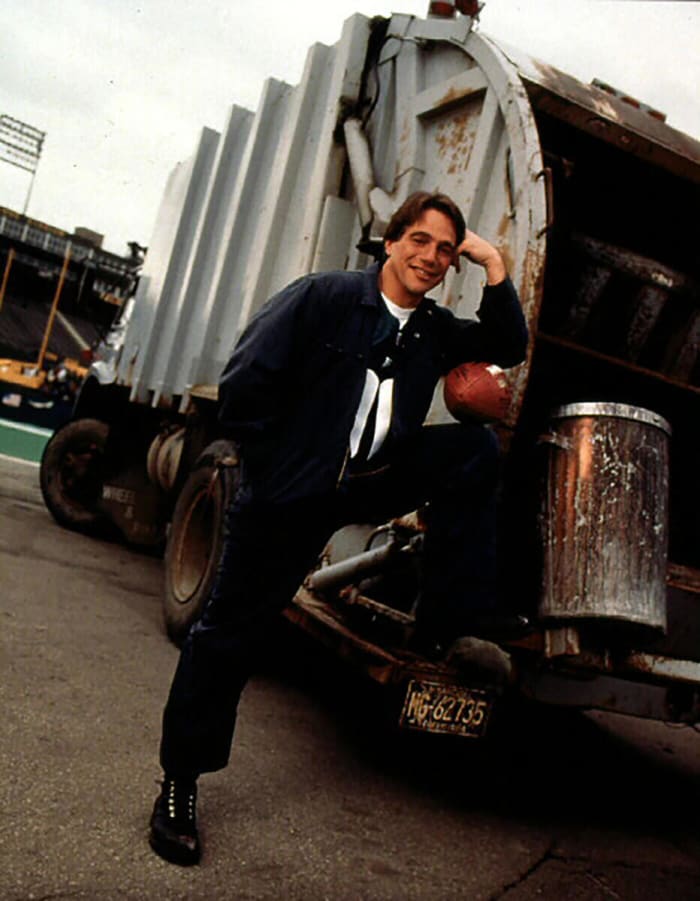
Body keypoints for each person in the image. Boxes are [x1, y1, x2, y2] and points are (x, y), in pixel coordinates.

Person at [149, 191, 528, 866]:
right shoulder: (323, 297)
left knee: (475, 450)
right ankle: (179, 784)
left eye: (446, 249)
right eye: (419, 240)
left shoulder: (434, 330)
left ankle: (449, 617)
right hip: (290, 492)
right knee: (228, 635)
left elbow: (507, 345)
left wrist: (493, 262)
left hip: (370, 480)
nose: (432, 258)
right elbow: (244, 386)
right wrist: (281, 471)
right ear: (390, 242)